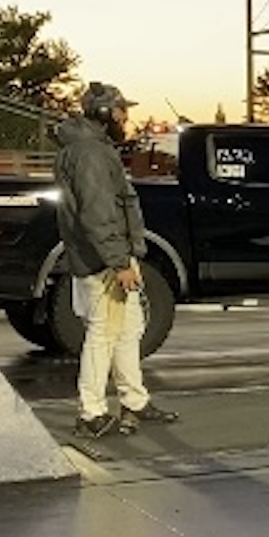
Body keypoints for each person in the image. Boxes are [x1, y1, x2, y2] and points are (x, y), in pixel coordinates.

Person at [54, 82, 178, 438]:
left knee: (129, 329)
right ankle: (91, 412)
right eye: (123, 110)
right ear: (106, 113)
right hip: (104, 260)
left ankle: (134, 400)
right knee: (103, 334)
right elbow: (98, 212)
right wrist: (119, 261)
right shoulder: (90, 153)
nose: (126, 117)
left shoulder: (90, 148)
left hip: (110, 254)